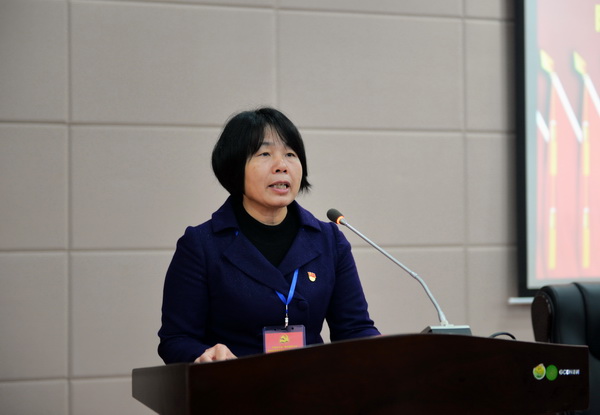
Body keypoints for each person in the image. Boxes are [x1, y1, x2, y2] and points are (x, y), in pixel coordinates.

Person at [158, 107, 379, 364]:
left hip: (311, 384)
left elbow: (354, 329)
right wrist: (203, 355)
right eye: (264, 154)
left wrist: (388, 352)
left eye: (290, 154)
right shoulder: (201, 245)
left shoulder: (328, 240)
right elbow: (176, 340)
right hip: (236, 384)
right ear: (234, 166)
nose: (282, 166)